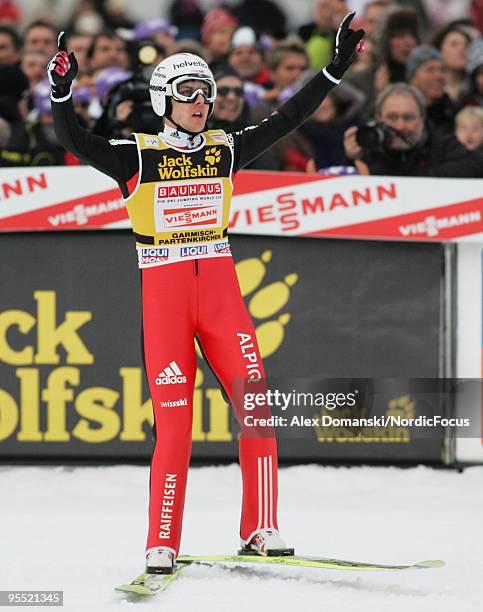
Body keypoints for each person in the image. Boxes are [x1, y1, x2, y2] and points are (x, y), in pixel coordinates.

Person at [48, 14, 364, 574]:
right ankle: (162, 540)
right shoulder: (136, 155)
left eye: (209, 93)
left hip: (221, 294)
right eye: (190, 93)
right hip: (167, 301)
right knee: (175, 425)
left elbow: (287, 118)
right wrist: (62, 92)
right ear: (164, 99)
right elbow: (73, 139)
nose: (202, 102)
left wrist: (334, 70)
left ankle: (260, 528)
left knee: (256, 409)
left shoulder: (222, 149)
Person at [343, 82, 483, 177]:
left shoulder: (442, 145)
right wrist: (351, 159)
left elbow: (476, 164)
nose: (400, 126)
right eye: (392, 117)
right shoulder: (368, 148)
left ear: (422, 118)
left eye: (408, 117)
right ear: (378, 118)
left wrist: (417, 179)